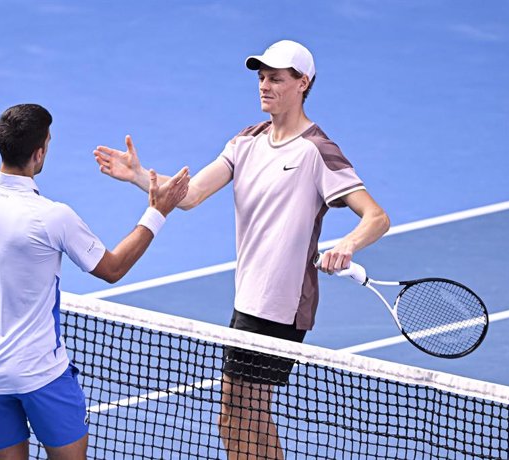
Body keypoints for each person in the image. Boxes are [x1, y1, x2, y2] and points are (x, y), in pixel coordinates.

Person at [93, 40, 390, 459]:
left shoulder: (318, 151)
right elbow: (191, 195)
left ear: (303, 83)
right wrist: (140, 177)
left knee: (239, 413)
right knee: (244, 414)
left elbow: (376, 217)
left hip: (282, 303)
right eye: (262, 78)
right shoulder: (246, 141)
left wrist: (347, 244)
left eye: (276, 79)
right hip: (249, 297)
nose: (265, 86)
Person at [0, 103, 189, 460]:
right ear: (39, 153)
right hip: (42, 376)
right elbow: (113, 269)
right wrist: (158, 212)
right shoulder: (53, 217)